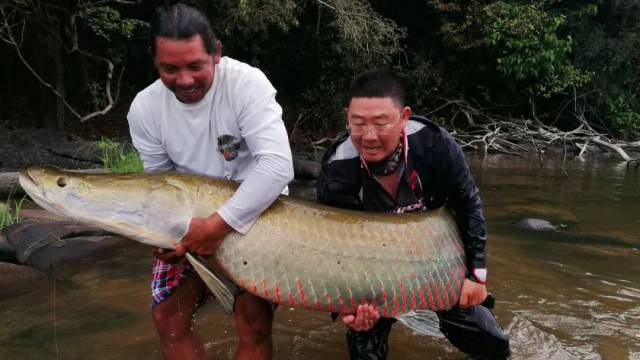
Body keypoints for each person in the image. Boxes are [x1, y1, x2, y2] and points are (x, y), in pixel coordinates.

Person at [127, 4, 294, 360]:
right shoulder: (144, 108)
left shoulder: (247, 83)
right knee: (168, 317)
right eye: (169, 68)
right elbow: (160, 186)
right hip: (189, 222)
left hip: (257, 215)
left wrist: (216, 226)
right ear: (154, 61)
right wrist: (161, 236)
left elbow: (277, 167)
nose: (184, 80)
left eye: (195, 66)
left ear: (216, 52)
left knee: (253, 322)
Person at [316, 70, 510, 359]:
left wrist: (476, 275)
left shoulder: (435, 145)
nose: (368, 136)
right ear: (347, 117)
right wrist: (348, 308)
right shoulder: (336, 169)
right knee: (365, 353)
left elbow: (469, 205)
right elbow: (334, 250)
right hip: (374, 270)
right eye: (357, 123)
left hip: (435, 260)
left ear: (404, 117)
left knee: (494, 346)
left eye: (381, 123)